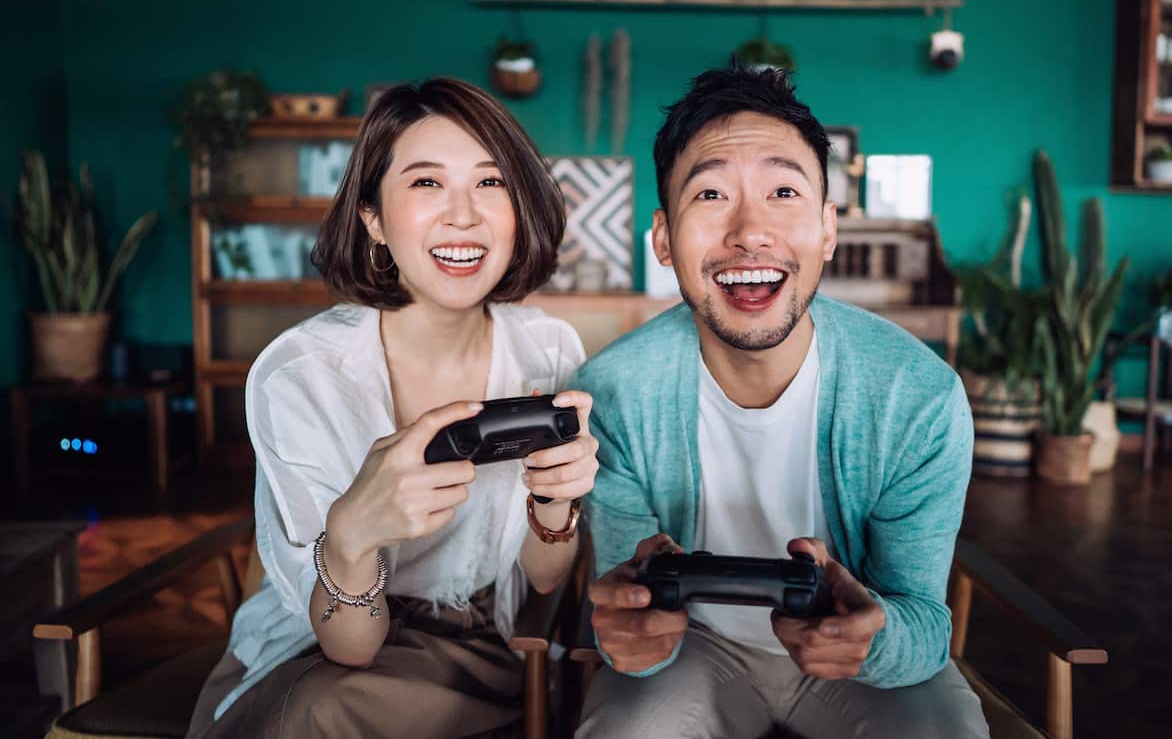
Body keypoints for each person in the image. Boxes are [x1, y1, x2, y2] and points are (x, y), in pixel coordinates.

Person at [573, 67, 987, 738]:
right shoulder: (615, 392)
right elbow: (628, 611)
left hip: (857, 666)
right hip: (695, 652)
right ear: (662, 236)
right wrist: (630, 633)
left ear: (828, 229)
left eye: (783, 191)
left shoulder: (917, 395)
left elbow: (924, 619)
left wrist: (873, 636)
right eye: (710, 193)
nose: (750, 230)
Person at [187, 78, 599, 739]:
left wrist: (555, 503)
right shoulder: (302, 375)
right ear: (373, 217)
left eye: (491, 182)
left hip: (483, 646)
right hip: (312, 642)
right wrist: (351, 536)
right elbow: (350, 647)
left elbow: (543, 579)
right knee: (315, 707)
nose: (463, 214)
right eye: (427, 183)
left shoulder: (547, 349)